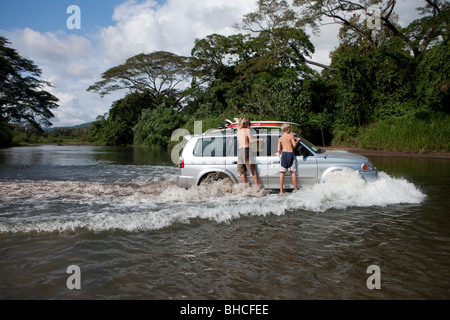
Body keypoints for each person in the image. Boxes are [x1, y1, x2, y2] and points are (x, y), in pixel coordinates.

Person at [237, 118, 261, 187]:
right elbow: (251, 141)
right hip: (246, 150)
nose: (249, 125)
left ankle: (245, 187)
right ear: (245, 124)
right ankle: (257, 187)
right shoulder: (247, 130)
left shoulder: (238, 131)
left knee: (242, 171)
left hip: (240, 151)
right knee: (252, 169)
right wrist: (260, 139)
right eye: (248, 123)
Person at [278, 123, 301, 193]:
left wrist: (279, 155)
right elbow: (294, 145)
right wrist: (298, 140)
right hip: (290, 153)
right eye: (290, 128)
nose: (290, 129)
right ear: (287, 129)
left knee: (282, 173)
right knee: (292, 172)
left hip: (284, 154)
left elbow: (279, 150)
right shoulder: (291, 135)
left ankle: (281, 191)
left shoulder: (280, 138)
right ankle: (296, 189)